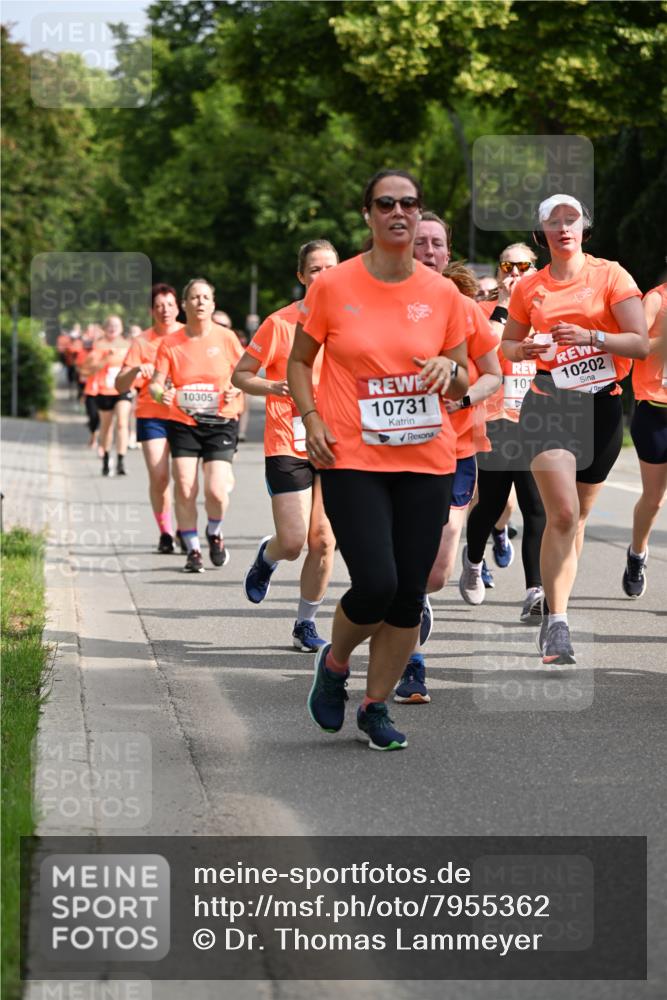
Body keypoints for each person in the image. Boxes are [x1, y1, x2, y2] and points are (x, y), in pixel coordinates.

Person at [288, 169, 469, 750]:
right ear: (367, 214)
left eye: (408, 204)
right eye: (386, 203)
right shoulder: (334, 286)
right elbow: (299, 361)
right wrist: (311, 417)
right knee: (376, 583)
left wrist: (450, 370)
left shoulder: (442, 294)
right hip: (352, 456)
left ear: (419, 213)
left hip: (427, 459)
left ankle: (375, 708)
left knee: (409, 594)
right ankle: (335, 663)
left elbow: (465, 376)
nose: (398, 212)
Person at [502, 194, 647, 665]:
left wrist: (592, 337)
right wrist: (523, 351)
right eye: (554, 221)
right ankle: (558, 623)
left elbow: (640, 344)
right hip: (549, 401)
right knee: (562, 514)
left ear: (585, 227)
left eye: (572, 220)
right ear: (541, 232)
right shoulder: (530, 287)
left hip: (602, 404)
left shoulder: (611, 275)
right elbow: (508, 344)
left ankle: (556, 601)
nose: (564, 228)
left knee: (578, 517)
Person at [395, 219, 501, 705]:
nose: (429, 250)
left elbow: (493, 373)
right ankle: (410, 662)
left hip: (453, 447)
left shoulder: (463, 307)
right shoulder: (379, 301)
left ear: (447, 251)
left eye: (437, 243)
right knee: (397, 561)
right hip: (391, 447)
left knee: (436, 570)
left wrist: (464, 399)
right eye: (419, 242)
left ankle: (416, 599)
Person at [233, 240, 338, 651]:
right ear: (301, 276)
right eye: (315, 269)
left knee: (324, 540)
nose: (324, 276)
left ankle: (305, 624)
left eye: (330, 268)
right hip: (288, 441)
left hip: (336, 443)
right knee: (294, 542)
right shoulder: (279, 324)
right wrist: (273, 386)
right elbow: (241, 375)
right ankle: (269, 556)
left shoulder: (351, 321)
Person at [461, 243, 547, 623]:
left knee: (534, 506)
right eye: (507, 266)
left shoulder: (547, 311)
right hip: (495, 420)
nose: (514, 273)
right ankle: (473, 561)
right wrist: (506, 305)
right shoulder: (484, 311)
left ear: (535, 270)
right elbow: (487, 349)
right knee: (491, 504)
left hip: (537, 420)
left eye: (523, 266)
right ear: (498, 272)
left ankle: (535, 591)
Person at [151, 278, 243, 573]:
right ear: (184, 305)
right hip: (184, 422)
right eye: (194, 297)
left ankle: (214, 532)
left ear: (213, 304)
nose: (200, 302)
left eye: (205, 297)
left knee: (216, 491)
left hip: (220, 421)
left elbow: (245, 374)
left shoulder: (226, 338)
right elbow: (155, 384)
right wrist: (161, 394)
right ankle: (192, 550)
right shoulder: (170, 343)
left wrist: (235, 388)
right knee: (185, 486)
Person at [116, 284, 183, 553]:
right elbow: (120, 385)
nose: (165, 310)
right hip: (151, 415)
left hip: (184, 415)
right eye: (159, 306)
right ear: (151, 310)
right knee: (159, 476)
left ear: (178, 307)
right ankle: (166, 532)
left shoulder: (189, 336)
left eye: (169, 305)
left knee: (184, 478)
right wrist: (135, 371)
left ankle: (185, 527)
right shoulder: (142, 342)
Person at [623, 278, 667, 596]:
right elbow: (635, 347)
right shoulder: (656, 299)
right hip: (655, 410)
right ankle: (637, 553)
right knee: (653, 499)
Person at [79, 316, 131, 476]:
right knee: (106, 427)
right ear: (104, 328)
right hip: (104, 391)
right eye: (110, 325)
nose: (113, 328)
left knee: (122, 423)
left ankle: (121, 461)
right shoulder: (98, 347)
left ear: (121, 328)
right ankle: (106, 459)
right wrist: (105, 359)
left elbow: (133, 366)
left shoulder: (127, 346)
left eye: (116, 325)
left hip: (123, 390)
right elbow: (86, 370)